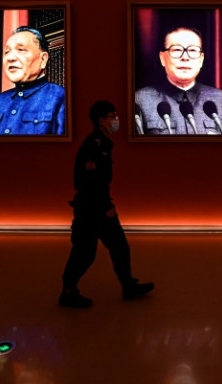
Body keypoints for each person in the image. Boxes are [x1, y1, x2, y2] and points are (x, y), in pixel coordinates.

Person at [59, 101, 154, 308]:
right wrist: (106, 207)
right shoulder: (93, 145)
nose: (116, 120)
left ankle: (128, 285)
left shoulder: (103, 143)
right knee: (85, 252)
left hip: (100, 205)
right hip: (92, 208)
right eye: (112, 116)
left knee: (119, 247)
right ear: (101, 120)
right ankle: (68, 291)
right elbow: (90, 182)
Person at [135, 27, 222, 135]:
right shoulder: (140, 100)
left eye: (192, 50)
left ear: (201, 60)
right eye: (177, 50)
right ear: (162, 58)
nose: (185, 57)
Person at [0, 26, 66, 135]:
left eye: (21, 50)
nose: (10, 57)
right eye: (7, 51)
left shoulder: (60, 97)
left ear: (43, 59)